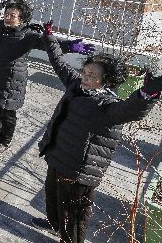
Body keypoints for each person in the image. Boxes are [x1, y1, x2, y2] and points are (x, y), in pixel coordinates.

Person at [30, 21, 161, 243]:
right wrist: (50, 37)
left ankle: (70, 240)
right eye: (85, 72)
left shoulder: (108, 105)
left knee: (74, 213)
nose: (86, 78)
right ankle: (54, 224)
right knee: (53, 197)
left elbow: (130, 110)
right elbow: (59, 63)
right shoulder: (76, 85)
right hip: (59, 155)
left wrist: (145, 95)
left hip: (79, 169)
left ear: (106, 80)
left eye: (93, 75)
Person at [0, 0, 95, 155]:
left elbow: (49, 43)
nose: (7, 17)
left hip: (12, 81)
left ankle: (4, 141)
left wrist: (70, 45)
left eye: (12, 15)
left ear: (21, 19)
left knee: (7, 113)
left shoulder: (28, 35)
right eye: (6, 14)